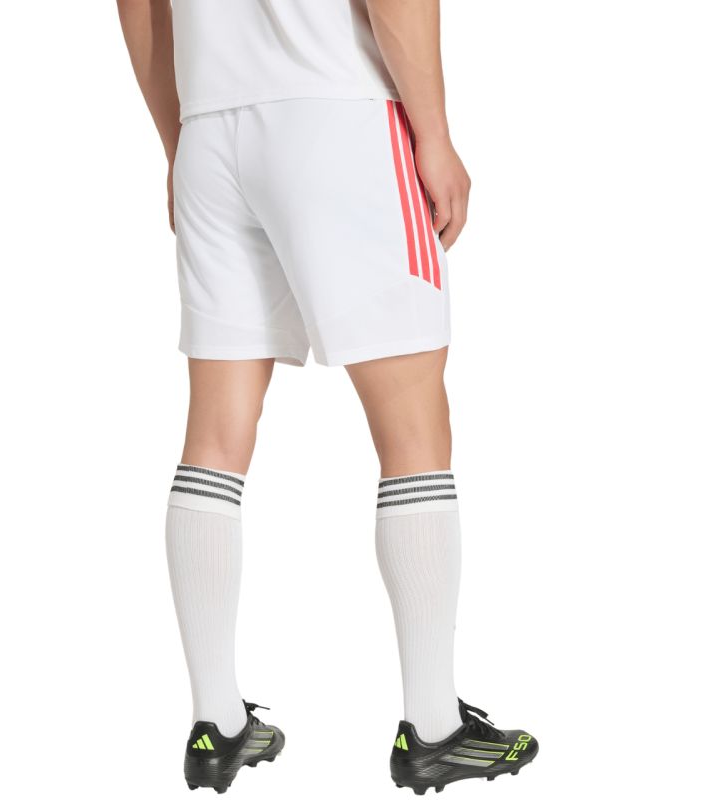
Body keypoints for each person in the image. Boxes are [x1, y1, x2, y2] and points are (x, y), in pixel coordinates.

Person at [116, 0, 537, 794]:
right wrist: (435, 133)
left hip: (210, 127)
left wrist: (181, 142)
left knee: (214, 433)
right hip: (340, 111)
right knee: (413, 425)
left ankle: (215, 723)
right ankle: (435, 729)